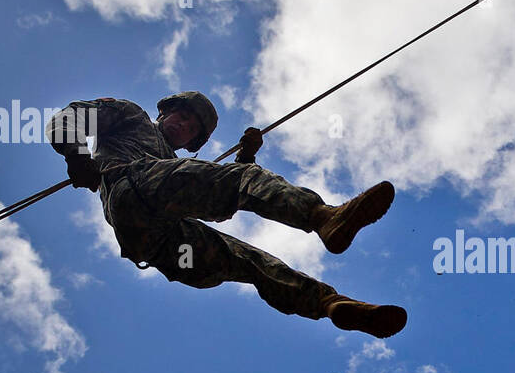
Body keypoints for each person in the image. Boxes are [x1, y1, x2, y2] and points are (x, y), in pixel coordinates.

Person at [45, 91, 406, 338]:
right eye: (182, 116)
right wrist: (78, 159)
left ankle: (329, 303)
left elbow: (218, 203)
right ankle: (322, 217)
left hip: (158, 242)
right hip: (133, 188)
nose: (184, 125)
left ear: (193, 142)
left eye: (192, 128)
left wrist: (245, 157)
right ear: (164, 112)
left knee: (253, 262)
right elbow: (67, 120)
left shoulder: (174, 164)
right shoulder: (132, 117)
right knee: (241, 180)